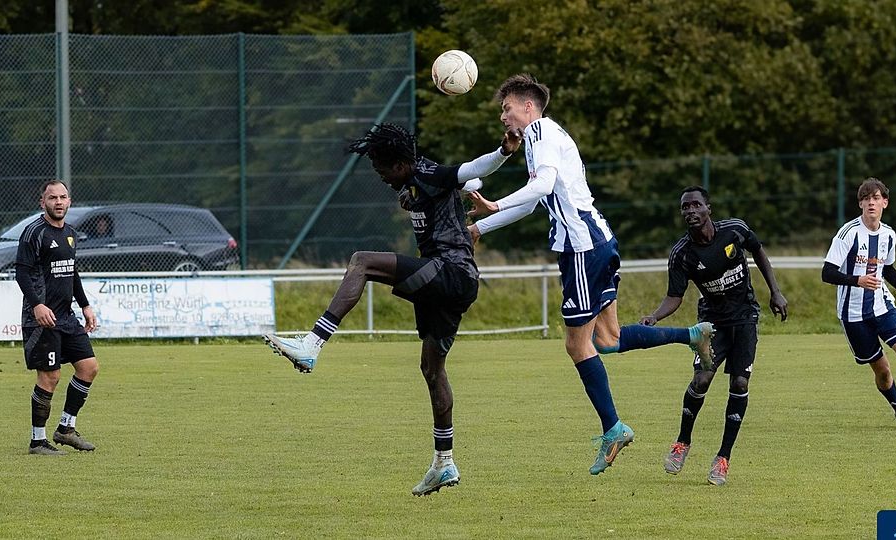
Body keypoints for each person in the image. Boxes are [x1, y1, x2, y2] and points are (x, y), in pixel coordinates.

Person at [466, 74, 715, 476]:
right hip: (596, 240)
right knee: (608, 339)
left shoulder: (541, 130)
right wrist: (481, 228)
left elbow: (543, 185)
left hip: (582, 247)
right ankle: (693, 334)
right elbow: (533, 203)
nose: (502, 116)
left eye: (506, 107)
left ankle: (613, 428)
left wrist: (493, 205)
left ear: (528, 107)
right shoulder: (539, 139)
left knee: (577, 345)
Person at [263, 123, 521, 496]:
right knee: (432, 369)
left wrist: (504, 151)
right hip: (453, 282)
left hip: (450, 272)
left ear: (402, 162)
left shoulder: (428, 173)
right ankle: (444, 463)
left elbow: (471, 171)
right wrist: (419, 196)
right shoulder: (412, 185)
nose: (381, 176)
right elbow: (455, 189)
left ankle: (312, 344)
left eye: (383, 168)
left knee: (362, 261)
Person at [637, 186, 787, 486]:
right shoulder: (682, 254)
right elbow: (674, 297)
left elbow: (758, 250)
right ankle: (682, 442)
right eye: (685, 208)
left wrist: (775, 291)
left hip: (745, 318)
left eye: (695, 205)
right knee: (701, 379)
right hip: (711, 324)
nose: (690, 211)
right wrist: (654, 316)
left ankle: (723, 458)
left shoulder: (735, 231)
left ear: (708, 208)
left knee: (740, 382)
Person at [821, 177, 896, 428]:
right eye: (866, 198)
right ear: (860, 204)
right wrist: (857, 280)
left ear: (885, 202)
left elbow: (889, 270)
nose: (871, 203)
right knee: (883, 371)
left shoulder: (888, 235)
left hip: (882, 306)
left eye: (876, 198)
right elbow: (827, 272)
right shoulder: (848, 233)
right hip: (853, 315)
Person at [16, 180, 100, 455]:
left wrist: (85, 305)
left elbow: (72, 273)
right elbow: (22, 273)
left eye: (63, 197)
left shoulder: (70, 233)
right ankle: (37, 441)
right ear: (43, 202)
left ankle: (66, 429)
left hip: (66, 316)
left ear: (69, 201)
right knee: (50, 376)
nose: (58, 202)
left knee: (88, 367)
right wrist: (37, 305)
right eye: (52, 198)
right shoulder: (33, 233)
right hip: (41, 318)